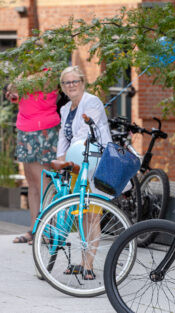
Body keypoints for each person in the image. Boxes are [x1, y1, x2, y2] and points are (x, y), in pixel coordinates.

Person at [57, 65, 112, 280]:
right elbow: (64, 136)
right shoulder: (65, 109)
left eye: (74, 81)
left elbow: (84, 134)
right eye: (66, 83)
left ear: (82, 82)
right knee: (81, 215)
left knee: (93, 215)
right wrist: (61, 158)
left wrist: (66, 158)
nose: (71, 86)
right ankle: (82, 260)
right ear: (62, 87)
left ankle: (89, 265)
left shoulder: (92, 102)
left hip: (93, 163)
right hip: (75, 165)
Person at [6, 70, 60, 245]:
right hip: (25, 130)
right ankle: (33, 229)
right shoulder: (28, 75)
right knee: (31, 184)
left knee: (43, 183)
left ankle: (47, 229)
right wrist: (16, 88)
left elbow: (32, 86)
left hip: (43, 130)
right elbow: (14, 90)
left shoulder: (50, 73)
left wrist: (20, 82)